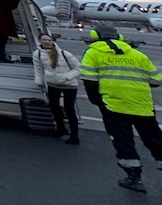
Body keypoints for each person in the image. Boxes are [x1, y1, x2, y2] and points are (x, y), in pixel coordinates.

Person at [79, 23, 162, 193]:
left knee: (123, 141)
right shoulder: (137, 54)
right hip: (142, 105)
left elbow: (89, 81)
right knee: (154, 138)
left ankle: (134, 177)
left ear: (96, 36)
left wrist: (98, 101)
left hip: (114, 105)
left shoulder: (93, 52)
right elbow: (156, 80)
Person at [33, 33, 81, 143]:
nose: (46, 42)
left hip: (69, 85)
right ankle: (61, 129)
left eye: (48, 40)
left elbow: (78, 68)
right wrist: (39, 81)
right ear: (40, 41)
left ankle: (74, 136)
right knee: (54, 107)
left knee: (69, 109)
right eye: (43, 40)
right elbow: (38, 68)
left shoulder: (64, 53)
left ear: (52, 41)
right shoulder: (38, 54)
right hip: (52, 83)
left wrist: (67, 77)